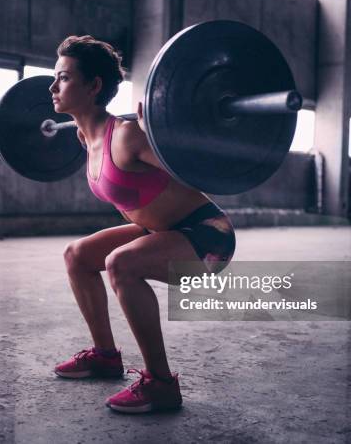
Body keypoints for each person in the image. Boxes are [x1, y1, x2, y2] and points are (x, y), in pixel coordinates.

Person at [49, 35, 236, 414]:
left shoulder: (129, 136)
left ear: (93, 86)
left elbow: (198, 173)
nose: (52, 87)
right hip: (160, 230)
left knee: (122, 263)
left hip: (206, 236)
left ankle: (161, 383)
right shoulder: (87, 137)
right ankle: (104, 356)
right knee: (77, 255)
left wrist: (166, 132)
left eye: (64, 78)